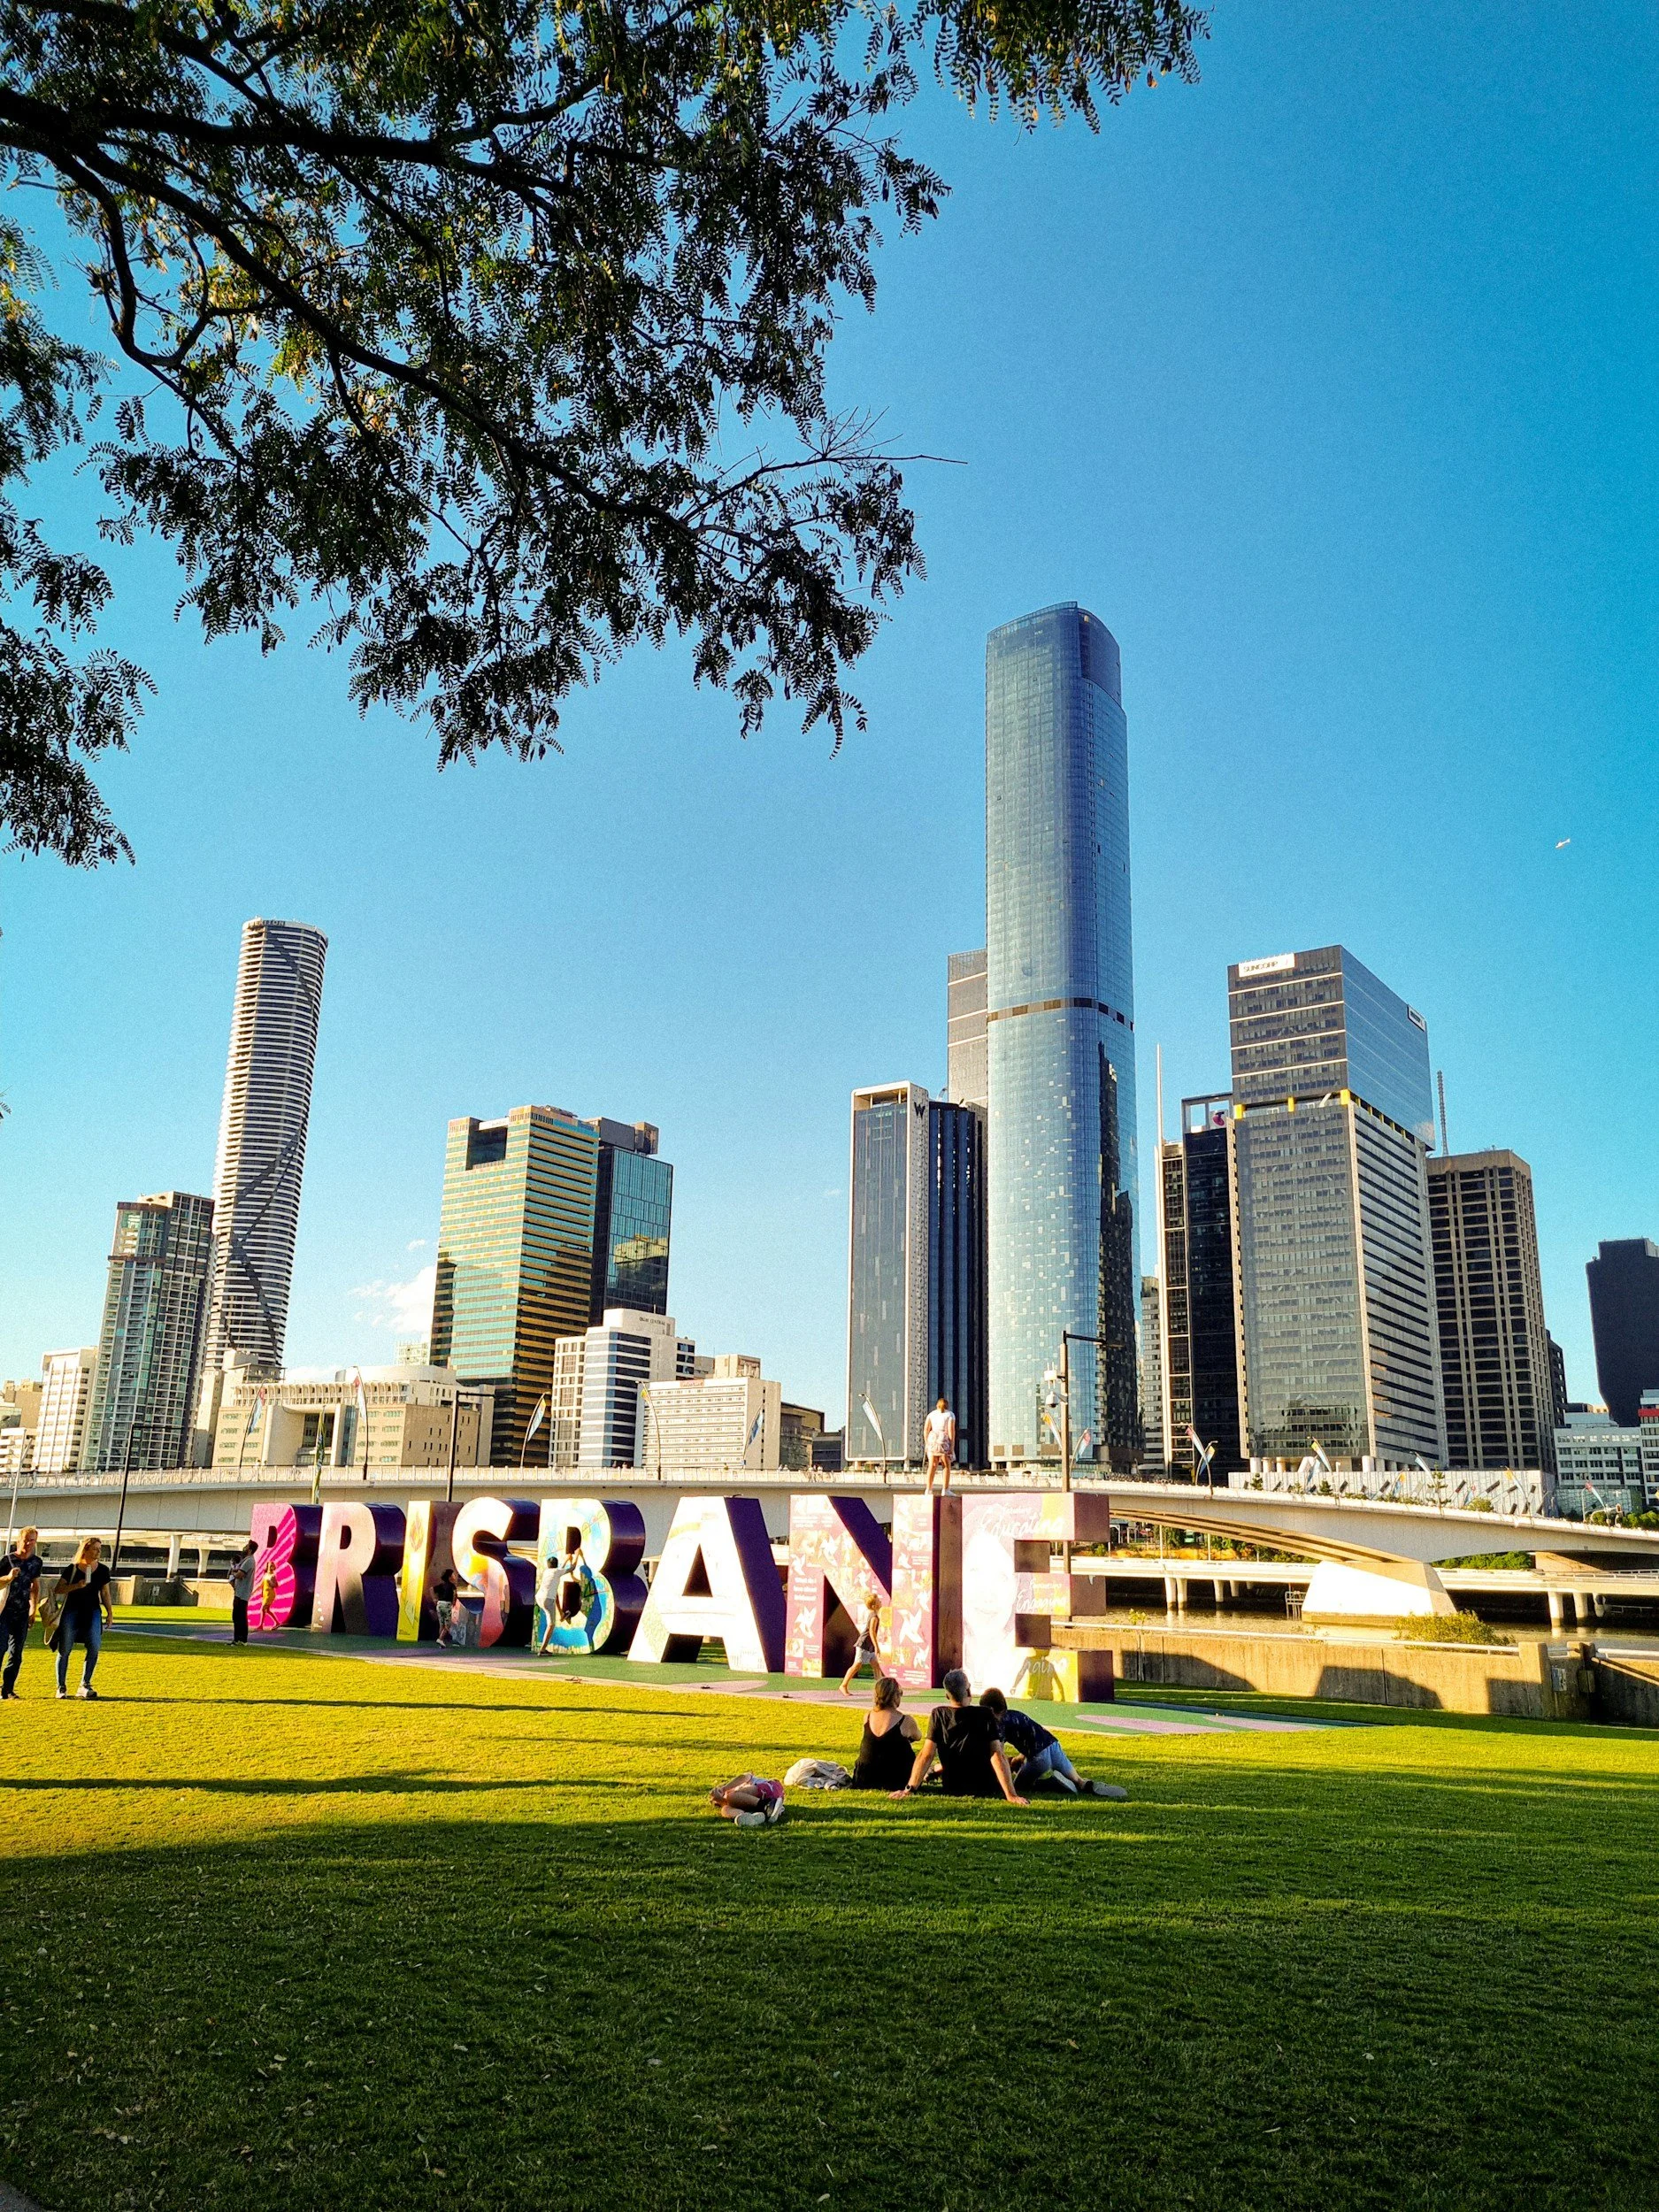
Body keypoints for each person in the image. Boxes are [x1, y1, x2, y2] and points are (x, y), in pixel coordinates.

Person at [892, 1669, 1026, 1805]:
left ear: (947, 1695)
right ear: (968, 1691)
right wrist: (1011, 1795)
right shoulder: (985, 1714)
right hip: (984, 1786)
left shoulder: (938, 1715)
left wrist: (909, 1788)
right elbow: (997, 1755)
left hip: (953, 1786)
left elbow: (926, 1755)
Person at [979, 1686, 1127, 1800]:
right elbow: (1031, 1735)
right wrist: (1019, 1758)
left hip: (1039, 1757)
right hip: (1053, 1745)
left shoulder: (998, 1724)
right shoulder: (1016, 1715)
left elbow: (1000, 1755)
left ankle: (1052, 1783)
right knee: (1078, 1780)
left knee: (1020, 1786)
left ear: (991, 1710)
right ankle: (1083, 1784)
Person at [50, 1536, 114, 1701]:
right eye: (95, 1549)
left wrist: (109, 1613)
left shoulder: (102, 1570)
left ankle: (85, 1684)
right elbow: (58, 1589)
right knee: (65, 1649)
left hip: (92, 1611)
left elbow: (105, 1593)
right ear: (86, 1549)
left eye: (100, 1549)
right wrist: (76, 1586)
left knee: (94, 1645)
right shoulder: (72, 1569)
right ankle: (61, 1687)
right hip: (71, 1611)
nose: (98, 1552)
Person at [850, 1673, 919, 1790]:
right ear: (895, 1696)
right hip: (896, 1779)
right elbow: (918, 1736)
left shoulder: (867, 1717)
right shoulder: (905, 1720)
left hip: (864, 1778)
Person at [0, 1525, 44, 1700]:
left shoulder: (36, 1562)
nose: (28, 1543)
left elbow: (35, 1586)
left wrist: (33, 1609)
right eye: (26, 1539)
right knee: (0, 1648)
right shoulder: (7, 1560)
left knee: (16, 1653)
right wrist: (8, 1577)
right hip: (4, 1611)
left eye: (32, 1540)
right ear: (19, 1540)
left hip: (22, 1612)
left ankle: (8, 1689)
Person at [839, 1594, 887, 1696]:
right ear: (874, 1606)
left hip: (869, 1646)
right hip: (864, 1644)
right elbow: (871, 1632)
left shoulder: (874, 1615)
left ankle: (880, 1690)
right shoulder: (874, 1617)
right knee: (857, 1665)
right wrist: (877, 1646)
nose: (880, 1601)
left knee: (876, 1666)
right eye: (878, 1600)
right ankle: (843, 1685)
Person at [709, 1775, 786, 1829]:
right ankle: (749, 1817)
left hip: (769, 1788)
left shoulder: (736, 1787)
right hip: (757, 1804)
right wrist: (722, 1801)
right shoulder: (730, 1802)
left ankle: (769, 1805)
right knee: (725, 1810)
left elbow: (743, 1777)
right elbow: (729, 1803)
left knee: (732, 1796)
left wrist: (724, 1789)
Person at [923, 1397, 957, 1494]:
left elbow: (926, 1430)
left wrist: (927, 1443)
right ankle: (945, 1489)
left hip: (932, 1439)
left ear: (937, 1405)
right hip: (943, 1439)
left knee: (932, 1465)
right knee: (946, 1465)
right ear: (947, 1405)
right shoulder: (950, 1415)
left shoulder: (931, 1415)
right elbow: (951, 1431)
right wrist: (951, 1447)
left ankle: (928, 1489)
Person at [228, 1540, 257, 1645]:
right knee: (239, 1616)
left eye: (246, 1547)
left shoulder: (249, 1561)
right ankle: (240, 1639)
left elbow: (240, 1574)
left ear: (250, 1550)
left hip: (241, 1593)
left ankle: (239, 1639)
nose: (244, 1548)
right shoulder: (247, 1560)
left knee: (238, 1616)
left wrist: (234, 1574)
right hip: (241, 1592)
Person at [434, 1566, 461, 1647]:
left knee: (441, 1624)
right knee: (447, 1625)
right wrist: (454, 1602)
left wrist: (434, 1599)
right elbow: (455, 1595)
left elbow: (432, 1589)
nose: (454, 1576)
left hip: (439, 1604)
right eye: (453, 1575)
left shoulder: (441, 1585)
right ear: (450, 1577)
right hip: (447, 1605)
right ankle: (440, 1639)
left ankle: (441, 1643)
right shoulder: (452, 1586)